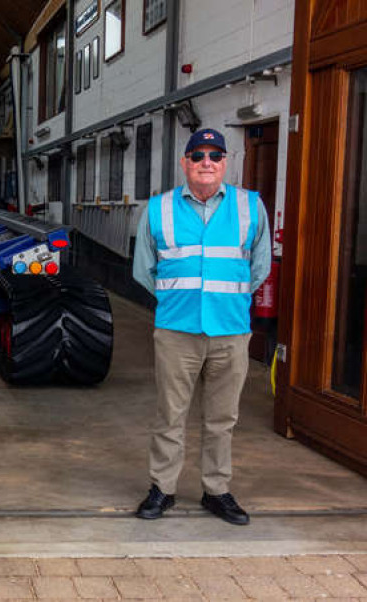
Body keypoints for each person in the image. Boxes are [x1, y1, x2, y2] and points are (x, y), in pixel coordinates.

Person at [131, 128, 271, 526]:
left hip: (230, 330)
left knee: (223, 417)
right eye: (197, 156)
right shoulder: (159, 209)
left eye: (214, 155)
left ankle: (217, 490)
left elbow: (259, 265)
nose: (206, 162)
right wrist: (179, 299)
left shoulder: (249, 207)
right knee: (170, 415)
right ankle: (163, 488)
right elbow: (143, 269)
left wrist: (230, 297)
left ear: (226, 162)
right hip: (177, 330)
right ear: (185, 163)